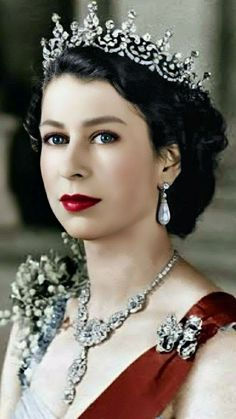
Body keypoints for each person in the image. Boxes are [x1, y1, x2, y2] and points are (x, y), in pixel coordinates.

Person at [0, 2, 236, 418]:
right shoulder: (39, 318)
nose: (72, 166)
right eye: (56, 138)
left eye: (104, 136)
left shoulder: (217, 352)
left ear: (168, 159)